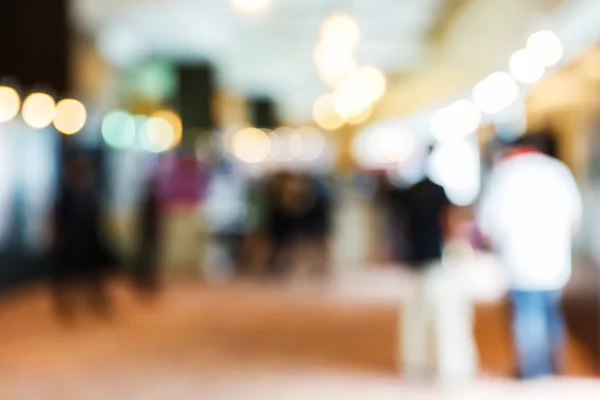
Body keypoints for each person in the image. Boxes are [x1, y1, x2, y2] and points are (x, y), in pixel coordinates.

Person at [478, 140, 582, 379]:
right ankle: (555, 365)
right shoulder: (558, 171)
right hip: (555, 258)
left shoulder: (505, 174)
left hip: (519, 259)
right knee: (550, 311)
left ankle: (535, 371)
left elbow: (489, 225)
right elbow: (575, 220)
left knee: (527, 314)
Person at [393, 148, 478, 383]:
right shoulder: (439, 192)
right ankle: (448, 366)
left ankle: (416, 361)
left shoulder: (411, 192)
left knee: (417, 314)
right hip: (438, 259)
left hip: (417, 258)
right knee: (446, 315)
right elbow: (450, 222)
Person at [51, 154, 112, 321]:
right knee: (69, 275)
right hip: (73, 241)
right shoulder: (69, 194)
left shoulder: (87, 193)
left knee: (91, 274)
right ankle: (67, 305)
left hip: (86, 241)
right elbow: (60, 218)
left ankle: (95, 300)